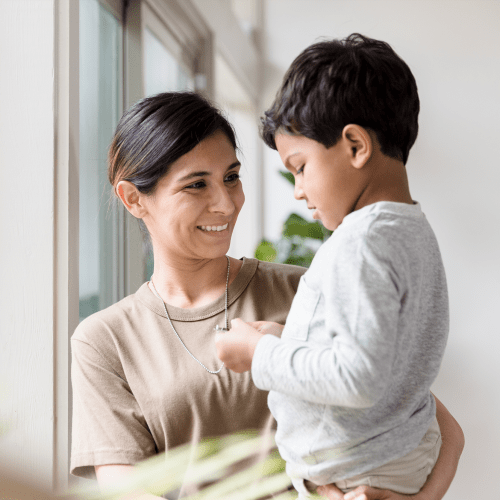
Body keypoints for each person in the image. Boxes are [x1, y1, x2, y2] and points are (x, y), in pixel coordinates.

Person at [70, 91, 463, 500]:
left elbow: (438, 426)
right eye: (196, 185)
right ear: (134, 199)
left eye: (231, 177)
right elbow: (124, 489)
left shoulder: (305, 290)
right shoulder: (104, 341)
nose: (225, 203)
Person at [215, 34, 460, 500]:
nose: (299, 191)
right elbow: (379, 353)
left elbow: (358, 377)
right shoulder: (410, 230)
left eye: (300, 166)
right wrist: (285, 340)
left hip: (357, 474)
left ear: (354, 145)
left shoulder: (360, 241)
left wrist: (259, 356)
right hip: (391, 459)